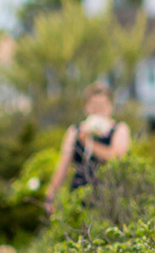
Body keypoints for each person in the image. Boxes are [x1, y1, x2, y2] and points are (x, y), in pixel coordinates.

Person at [46, 83, 132, 212]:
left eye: (102, 105)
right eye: (94, 105)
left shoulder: (120, 129)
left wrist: (88, 143)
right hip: (80, 192)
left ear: (110, 106)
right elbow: (63, 164)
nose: (99, 109)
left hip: (110, 194)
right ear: (86, 107)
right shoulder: (75, 131)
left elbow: (116, 158)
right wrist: (51, 193)